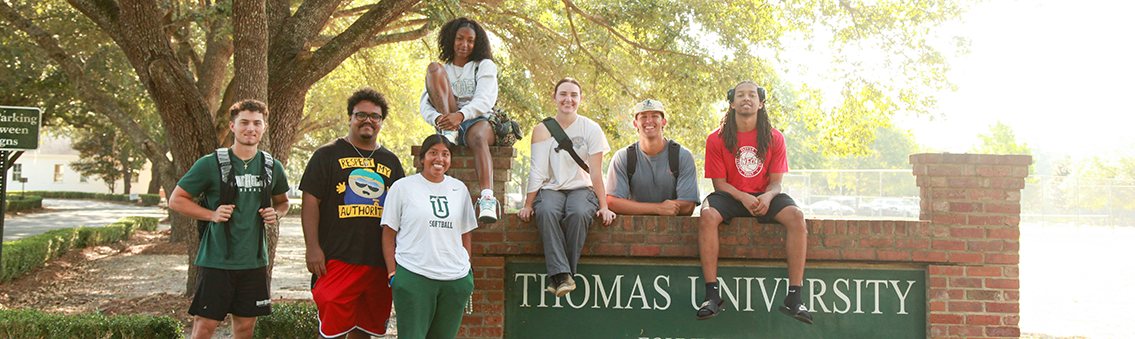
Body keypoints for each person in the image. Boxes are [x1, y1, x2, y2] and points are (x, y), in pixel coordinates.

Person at [168, 99, 290, 339]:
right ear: (233, 126)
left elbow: (283, 202)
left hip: (253, 262)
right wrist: (211, 214)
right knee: (204, 328)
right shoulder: (210, 164)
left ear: (264, 127)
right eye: (244, 122)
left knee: (245, 329)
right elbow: (176, 200)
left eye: (257, 123)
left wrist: (275, 214)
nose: (250, 128)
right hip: (216, 262)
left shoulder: (272, 166)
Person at [695, 81, 811, 324]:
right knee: (707, 215)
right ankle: (711, 295)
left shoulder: (775, 138)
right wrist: (743, 196)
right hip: (731, 196)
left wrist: (767, 196)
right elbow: (720, 185)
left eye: (751, 95)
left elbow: (777, 183)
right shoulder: (716, 139)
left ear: (761, 102)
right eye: (740, 95)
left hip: (764, 196)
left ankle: (794, 297)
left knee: (797, 217)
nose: (746, 98)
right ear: (732, 101)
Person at [300, 88, 406, 338]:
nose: (368, 120)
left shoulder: (391, 162)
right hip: (336, 257)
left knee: (365, 328)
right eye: (361, 114)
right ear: (350, 118)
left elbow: (403, 210)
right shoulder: (327, 154)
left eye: (375, 116)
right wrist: (312, 247)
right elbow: (310, 201)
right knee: (332, 328)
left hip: (378, 260)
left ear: (381, 122)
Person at [518, 78, 616, 297]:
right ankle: (564, 276)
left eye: (573, 95)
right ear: (554, 97)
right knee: (545, 211)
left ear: (580, 99)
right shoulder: (542, 129)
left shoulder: (591, 128)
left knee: (579, 213)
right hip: (551, 189)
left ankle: (561, 275)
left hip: (582, 189)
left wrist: (604, 206)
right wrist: (527, 204)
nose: (568, 99)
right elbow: (538, 171)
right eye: (563, 94)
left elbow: (596, 171)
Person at [381, 134, 477, 339]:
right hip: (414, 275)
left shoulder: (459, 189)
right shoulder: (403, 187)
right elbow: (389, 233)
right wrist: (392, 274)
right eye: (433, 153)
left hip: (454, 279)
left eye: (445, 154)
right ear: (422, 158)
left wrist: (467, 270)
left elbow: (465, 232)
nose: (439, 159)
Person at [419, 17, 501, 224]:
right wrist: (441, 119)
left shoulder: (483, 65)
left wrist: (462, 116)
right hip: (450, 120)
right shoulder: (444, 69)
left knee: (477, 138)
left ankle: (487, 199)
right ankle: (450, 133)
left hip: (478, 119)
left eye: (470, 40)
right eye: (460, 39)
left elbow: (486, 99)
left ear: (477, 43)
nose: (465, 44)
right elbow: (425, 104)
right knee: (432, 68)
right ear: (451, 39)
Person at [605, 99, 699, 216]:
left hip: (673, 231)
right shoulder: (623, 157)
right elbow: (612, 202)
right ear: (635, 124)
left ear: (663, 122)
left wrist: (635, 207)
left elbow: (688, 205)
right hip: (635, 231)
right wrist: (658, 209)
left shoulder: (682, 155)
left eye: (654, 116)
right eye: (643, 117)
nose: (649, 121)